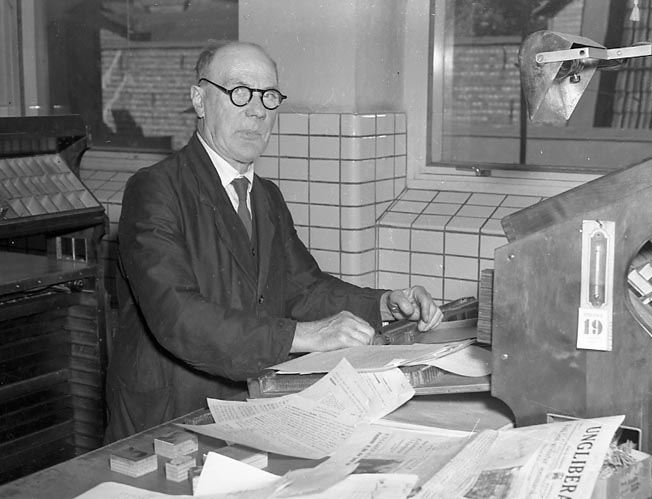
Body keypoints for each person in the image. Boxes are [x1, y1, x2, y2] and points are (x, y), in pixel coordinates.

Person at [104, 41, 444, 442]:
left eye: (268, 96)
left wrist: (384, 304)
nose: (257, 110)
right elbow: (178, 315)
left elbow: (304, 289)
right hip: (167, 416)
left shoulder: (266, 196)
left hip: (246, 404)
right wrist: (305, 335)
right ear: (199, 100)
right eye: (239, 92)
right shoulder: (155, 189)